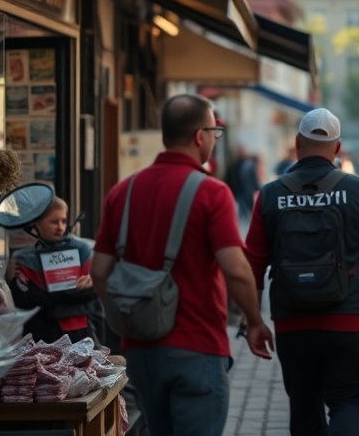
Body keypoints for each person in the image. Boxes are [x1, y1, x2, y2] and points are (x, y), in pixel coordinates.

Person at [91, 94, 274, 436]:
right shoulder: (211, 193)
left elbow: (99, 271)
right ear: (200, 136)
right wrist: (254, 321)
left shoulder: (122, 193)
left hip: (142, 354)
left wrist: (126, 316)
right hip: (197, 348)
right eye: (215, 132)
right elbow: (236, 269)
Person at [245, 108, 359, 436]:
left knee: (304, 406)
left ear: (296, 144)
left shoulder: (270, 194)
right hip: (346, 322)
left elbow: (251, 262)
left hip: (292, 326)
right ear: (337, 149)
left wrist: (253, 321)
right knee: (347, 401)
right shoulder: (358, 190)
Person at [8, 196, 96, 343]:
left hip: (79, 333)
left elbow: (95, 294)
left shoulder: (82, 250)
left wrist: (91, 283)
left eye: (63, 220)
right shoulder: (23, 259)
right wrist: (20, 286)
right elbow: (20, 303)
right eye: (54, 222)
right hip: (41, 334)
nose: (60, 227)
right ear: (36, 224)